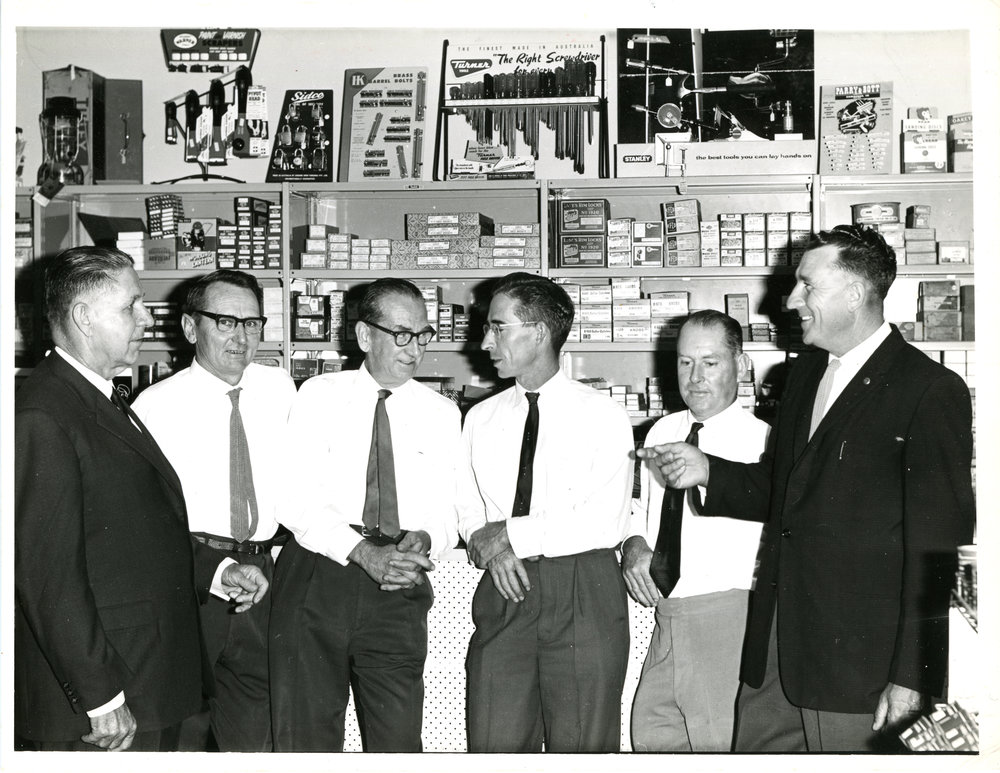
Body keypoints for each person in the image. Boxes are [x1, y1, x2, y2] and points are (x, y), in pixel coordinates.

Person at [641, 225, 976, 752]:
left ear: (856, 293)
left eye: (806, 285)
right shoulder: (804, 375)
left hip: (856, 666)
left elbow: (941, 552)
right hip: (775, 649)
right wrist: (708, 470)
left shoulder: (928, 390)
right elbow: (783, 493)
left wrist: (914, 675)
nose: (790, 299)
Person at [14, 247, 267, 752]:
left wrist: (215, 571)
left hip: (153, 673)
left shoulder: (102, 397)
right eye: (131, 306)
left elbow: (135, 531)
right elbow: (47, 576)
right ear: (84, 317)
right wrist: (101, 696)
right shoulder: (43, 412)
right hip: (113, 689)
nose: (147, 319)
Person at [269, 278, 462, 752]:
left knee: (397, 741)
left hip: (398, 585)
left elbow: (447, 509)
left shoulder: (442, 412)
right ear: (363, 336)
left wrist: (424, 539)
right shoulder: (318, 394)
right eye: (400, 334)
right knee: (307, 740)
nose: (414, 349)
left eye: (422, 334)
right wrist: (360, 551)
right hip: (320, 575)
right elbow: (293, 496)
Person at [459, 272, 634, 753]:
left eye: (498, 327)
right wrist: (490, 547)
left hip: (583, 588)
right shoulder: (481, 417)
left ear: (537, 332)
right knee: (494, 741)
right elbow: (467, 504)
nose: (485, 340)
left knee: (582, 746)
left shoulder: (601, 414)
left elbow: (604, 522)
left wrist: (510, 535)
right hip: (505, 585)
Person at [132, 269, 296, 751]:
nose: (241, 336)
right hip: (192, 576)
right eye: (225, 321)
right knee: (184, 730)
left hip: (264, 576)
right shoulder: (155, 406)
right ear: (189, 329)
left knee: (258, 729)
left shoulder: (280, 388)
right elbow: (147, 519)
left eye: (252, 323)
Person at [624, 310, 770, 752]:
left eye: (711, 362)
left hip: (728, 617)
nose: (696, 377)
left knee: (719, 746)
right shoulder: (664, 429)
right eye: (685, 362)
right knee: (651, 738)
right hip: (666, 616)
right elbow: (639, 509)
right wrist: (634, 546)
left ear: (741, 365)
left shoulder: (766, 441)